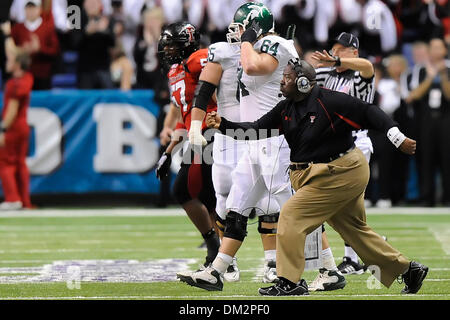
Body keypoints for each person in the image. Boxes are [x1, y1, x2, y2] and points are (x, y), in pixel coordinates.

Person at [206, 58, 428, 296]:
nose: (282, 81)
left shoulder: (330, 101)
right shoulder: (287, 108)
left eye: (288, 78)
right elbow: (257, 128)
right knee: (354, 230)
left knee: (290, 215)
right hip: (321, 173)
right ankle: (408, 270)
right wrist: (224, 125)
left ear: (303, 83)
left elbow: (369, 111)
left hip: (339, 171)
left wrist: (396, 137)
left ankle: (290, 282)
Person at [179, 2, 305, 291]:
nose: (236, 32)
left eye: (241, 27)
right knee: (235, 205)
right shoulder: (243, 49)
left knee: (290, 209)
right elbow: (209, 90)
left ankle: (321, 268)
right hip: (252, 137)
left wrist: (248, 40)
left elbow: (252, 66)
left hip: (274, 138)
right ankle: (218, 270)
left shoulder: (273, 45)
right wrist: (203, 126)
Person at [307, 32, 375, 290]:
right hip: (330, 145)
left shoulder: (359, 76)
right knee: (344, 205)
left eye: (342, 50)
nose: (335, 53)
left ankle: (354, 255)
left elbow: (369, 67)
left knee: (345, 202)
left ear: (353, 53)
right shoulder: (327, 76)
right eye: (333, 49)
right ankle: (363, 249)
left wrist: (335, 60)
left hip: (356, 142)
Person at [154, 22, 220, 271]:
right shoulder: (175, 72)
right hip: (196, 134)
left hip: (215, 131)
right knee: (190, 192)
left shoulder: (200, 59)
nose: (167, 51)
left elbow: (221, 90)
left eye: (171, 46)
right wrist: (168, 152)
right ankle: (216, 249)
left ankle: (219, 253)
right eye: (166, 46)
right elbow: (185, 115)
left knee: (202, 192)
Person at [404, 37, 450, 207]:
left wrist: (443, 74)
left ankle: (447, 198)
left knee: (447, 158)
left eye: (439, 48)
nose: (436, 51)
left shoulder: (448, 68)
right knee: (426, 158)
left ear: (444, 50)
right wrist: (430, 77)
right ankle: (426, 197)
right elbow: (413, 96)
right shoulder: (420, 70)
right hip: (425, 119)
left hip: (446, 118)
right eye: (433, 48)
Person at [0, 47, 33, 210]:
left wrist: (3, 129)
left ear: (18, 64)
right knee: (20, 164)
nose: (7, 62)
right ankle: (24, 200)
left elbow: (12, 109)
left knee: (4, 162)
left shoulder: (13, 83)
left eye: (10, 60)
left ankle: (12, 198)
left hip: (13, 127)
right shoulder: (28, 78)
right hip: (23, 125)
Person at [10, 0, 59, 90]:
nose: (31, 11)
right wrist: (21, 51)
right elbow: (10, 49)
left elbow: (55, 51)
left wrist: (40, 49)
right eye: (28, 8)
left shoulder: (48, 28)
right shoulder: (17, 29)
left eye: (33, 8)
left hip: (42, 75)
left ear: (40, 9)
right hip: (22, 74)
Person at [73, 0, 115, 89]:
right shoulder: (76, 18)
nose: (92, 5)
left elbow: (112, 43)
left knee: (108, 99)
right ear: (84, 4)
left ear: (100, 5)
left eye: (94, 2)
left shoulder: (107, 19)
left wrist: (105, 31)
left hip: (103, 68)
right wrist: (87, 32)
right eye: (89, 2)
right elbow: (74, 43)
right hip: (85, 70)